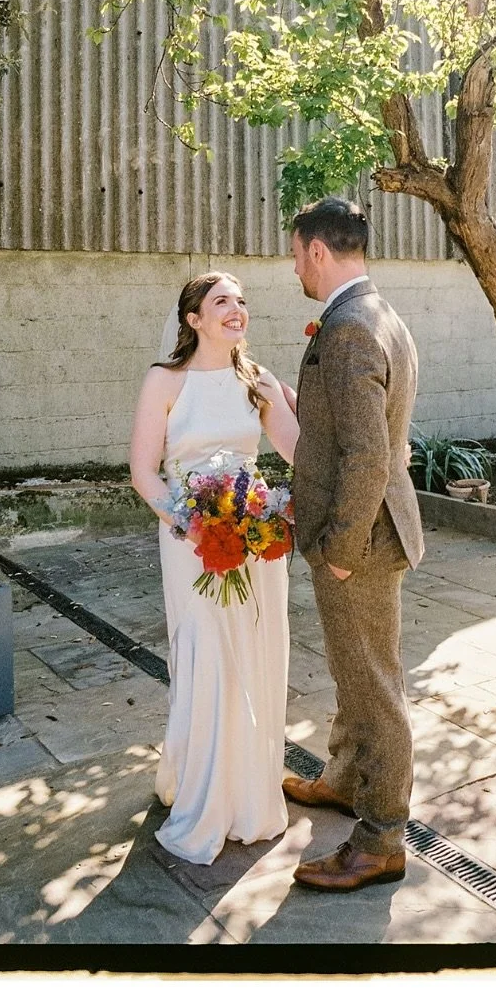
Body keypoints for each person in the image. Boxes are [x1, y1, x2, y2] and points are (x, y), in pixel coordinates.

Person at [129, 271, 300, 865]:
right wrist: (191, 522)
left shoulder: (259, 382)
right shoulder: (164, 380)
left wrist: (367, 448)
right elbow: (143, 472)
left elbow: (300, 451)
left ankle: (248, 793)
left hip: (254, 537)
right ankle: (202, 791)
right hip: (189, 540)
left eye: (241, 300)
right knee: (207, 656)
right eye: (221, 300)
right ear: (193, 319)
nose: (236, 308)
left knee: (252, 655)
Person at [282, 196, 424, 892]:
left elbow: (366, 457)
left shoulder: (346, 330)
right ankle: (343, 778)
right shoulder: (380, 313)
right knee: (354, 674)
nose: (295, 269)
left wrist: (339, 549)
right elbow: (362, 433)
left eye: (295, 254)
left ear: (317, 249)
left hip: (360, 541)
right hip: (372, 530)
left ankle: (381, 840)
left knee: (375, 689)